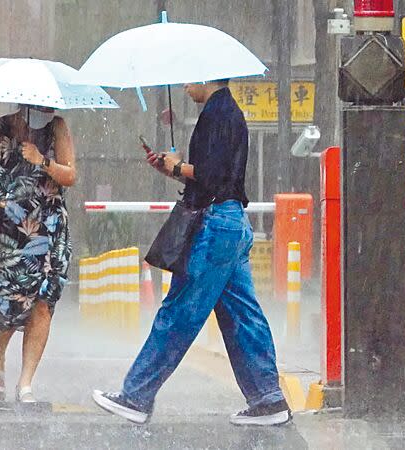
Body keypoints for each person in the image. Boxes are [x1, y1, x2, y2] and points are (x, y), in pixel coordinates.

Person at [92, 80, 291, 426]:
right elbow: (217, 177)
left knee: (180, 311)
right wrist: (172, 168)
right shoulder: (228, 112)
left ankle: (136, 396)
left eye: (190, 80)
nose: (185, 86)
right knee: (242, 315)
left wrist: (177, 166)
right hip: (231, 222)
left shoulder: (217, 114)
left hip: (215, 227)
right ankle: (268, 399)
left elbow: (211, 176)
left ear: (207, 78)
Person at [0, 105, 75, 403]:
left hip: (49, 228)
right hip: (10, 229)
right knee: (7, 303)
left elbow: (70, 174)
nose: (48, 110)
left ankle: (26, 382)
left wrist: (43, 161)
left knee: (43, 304)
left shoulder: (57, 128)